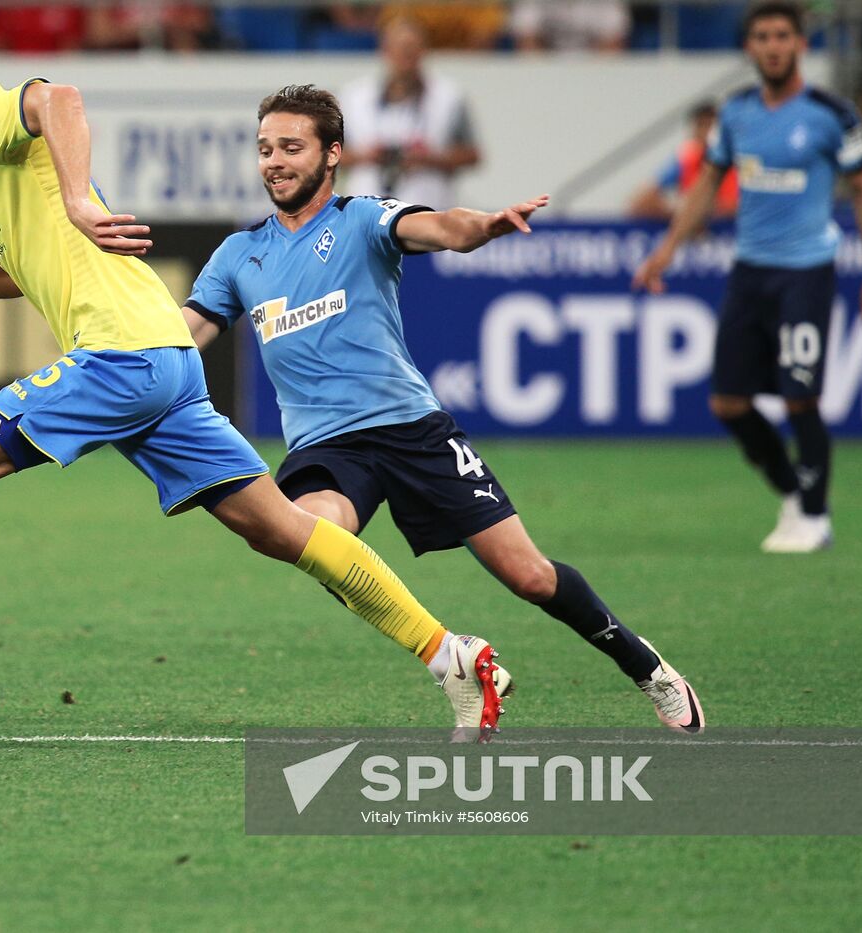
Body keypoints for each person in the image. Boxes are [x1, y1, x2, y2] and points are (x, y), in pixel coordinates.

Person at [0, 39, 509, 740]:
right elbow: (32, 257)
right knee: (281, 528)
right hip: (164, 354)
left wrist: (80, 196)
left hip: (121, 355)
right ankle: (451, 653)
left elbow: (59, 98)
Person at [182, 84, 704, 733]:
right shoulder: (240, 255)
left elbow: (440, 227)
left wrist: (481, 226)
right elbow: (180, 338)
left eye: (291, 146)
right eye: (265, 149)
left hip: (412, 430)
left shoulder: (361, 220)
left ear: (332, 153)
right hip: (327, 449)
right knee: (309, 536)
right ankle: (454, 660)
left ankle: (646, 667)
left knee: (530, 576)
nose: (274, 161)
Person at [633, 1, 862, 553]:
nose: (773, 46)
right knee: (727, 402)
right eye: (762, 37)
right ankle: (793, 491)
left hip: (806, 272)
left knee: (800, 398)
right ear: (749, 47)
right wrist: (667, 251)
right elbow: (706, 183)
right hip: (750, 271)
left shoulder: (832, 113)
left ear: (800, 44)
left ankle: (815, 517)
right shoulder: (736, 114)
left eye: (782, 36)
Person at [339, 16, 480, 210]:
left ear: (424, 51)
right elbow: (333, 155)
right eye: (400, 48)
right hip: (367, 212)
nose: (406, 55)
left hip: (429, 208)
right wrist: (367, 156)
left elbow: (472, 155)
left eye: (412, 48)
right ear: (385, 50)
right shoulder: (355, 98)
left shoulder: (449, 98)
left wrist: (429, 159)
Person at [627, 101, 739, 221]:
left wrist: (703, 210)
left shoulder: (742, 157)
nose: (707, 132)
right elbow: (640, 202)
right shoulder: (686, 158)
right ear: (693, 130)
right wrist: (685, 214)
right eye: (702, 125)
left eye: (713, 126)